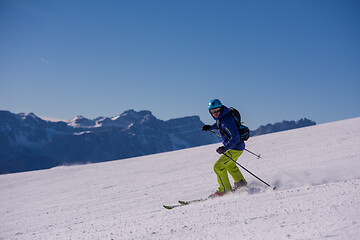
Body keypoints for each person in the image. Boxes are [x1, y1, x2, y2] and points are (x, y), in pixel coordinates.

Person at [202, 99, 247, 198]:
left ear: (221, 108)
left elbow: (235, 137)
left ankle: (224, 190)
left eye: (217, 110)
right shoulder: (222, 117)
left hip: (234, 148)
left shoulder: (227, 120)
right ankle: (241, 184)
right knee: (230, 165)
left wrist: (225, 148)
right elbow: (219, 125)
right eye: (213, 111)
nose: (215, 113)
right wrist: (209, 127)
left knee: (218, 166)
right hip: (238, 147)